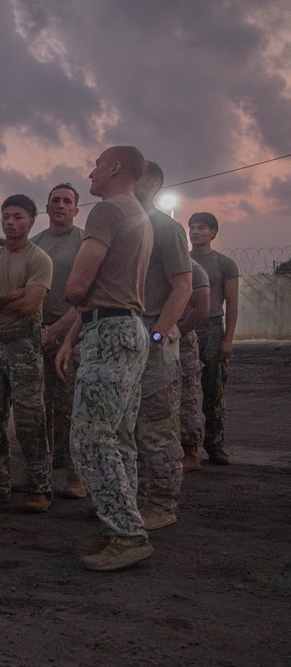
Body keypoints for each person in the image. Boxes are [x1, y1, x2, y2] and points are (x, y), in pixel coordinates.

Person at [56, 145, 153, 571]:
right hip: (129, 327)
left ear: (115, 167)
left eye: (96, 165)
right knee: (119, 437)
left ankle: (126, 534)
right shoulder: (138, 214)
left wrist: (74, 309)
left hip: (110, 331)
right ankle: (120, 521)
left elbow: (77, 288)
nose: (90, 173)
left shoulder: (107, 211)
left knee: (90, 438)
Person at [0, 195, 53, 512]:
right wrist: (13, 294)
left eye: (17, 216)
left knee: (31, 420)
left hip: (24, 345)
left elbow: (30, 306)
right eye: (5, 216)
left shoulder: (39, 259)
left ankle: (40, 488)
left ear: (31, 221)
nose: (9, 222)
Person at [133, 162, 193, 530]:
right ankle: (135, 498)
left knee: (156, 426)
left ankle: (161, 503)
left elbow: (183, 287)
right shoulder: (122, 225)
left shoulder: (165, 227)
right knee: (129, 425)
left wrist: (157, 334)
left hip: (152, 329)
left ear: (151, 183)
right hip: (124, 331)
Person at [31, 184, 86, 498]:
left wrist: (62, 330)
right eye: (55, 200)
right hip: (38, 334)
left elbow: (87, 293)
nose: (61, 205)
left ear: (76, 210)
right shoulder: (35, 245)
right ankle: (43, 473)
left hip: (74, 333)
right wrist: (42, 332)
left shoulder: (84, 243)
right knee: (40, 407)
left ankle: (75, 474)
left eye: (68, 201)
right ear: (47, 207)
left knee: (72, 407)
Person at [188, 212, 239, 465]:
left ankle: (215, 444)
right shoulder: (181, 260)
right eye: (192, 227)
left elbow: (232, 303)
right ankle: (186, 444)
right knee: (182, 389)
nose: (195, 231)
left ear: (213, 233)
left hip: (212, 329)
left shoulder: (224, 264)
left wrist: (228, 340)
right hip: (185, 328)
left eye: (201, 227)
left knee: (214, 388)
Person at [178, 261, 210, 472]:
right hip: (150, 335)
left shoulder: (194, 269)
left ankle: (189, 452)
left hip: (181, 340)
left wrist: (176, 332)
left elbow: (201, 309)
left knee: (186, 396)